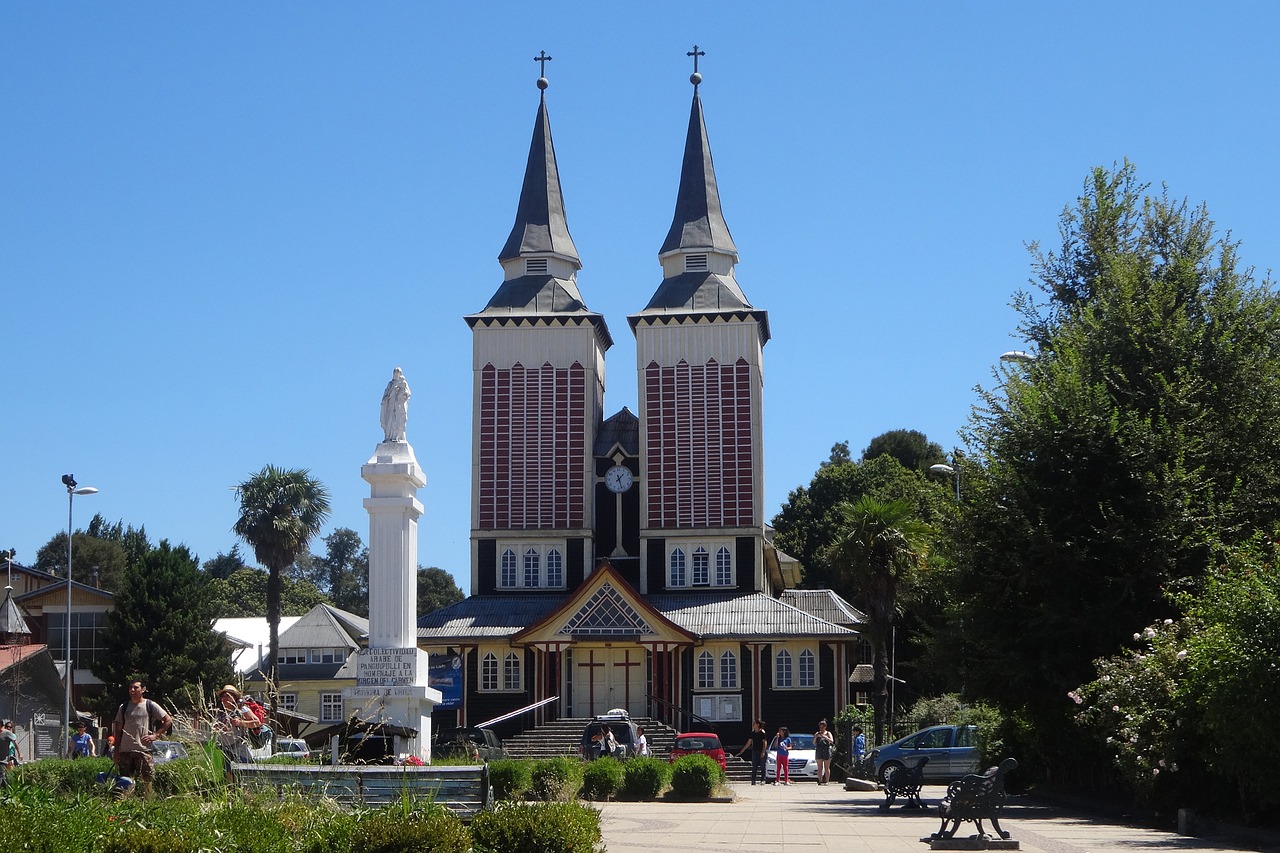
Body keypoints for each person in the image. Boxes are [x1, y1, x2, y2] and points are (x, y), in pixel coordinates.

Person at [111, 679, 172, 798]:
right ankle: (124, 805)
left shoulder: (150, 705)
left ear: (143, 689)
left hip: (143, 751)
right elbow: (117, 731)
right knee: (125, 782)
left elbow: (168, 720)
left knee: (147, 781)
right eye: (130, 688)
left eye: (135, 687)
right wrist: (116, 751)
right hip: (125, 751)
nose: (132, 690)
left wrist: (155, 735)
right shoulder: (123, 707)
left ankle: (147, 805)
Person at [213, 684, 259, 781]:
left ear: (234, 697)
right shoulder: (220, 712)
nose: (224, 698)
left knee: (244, 777)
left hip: (240, 750)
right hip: (226, 751)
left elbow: (257, 722)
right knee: (229, 778)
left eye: (228, 696)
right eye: (223, 696)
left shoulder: (242, 709)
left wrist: (241, 722)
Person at [380, 367, 411, 442]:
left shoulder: (403, 383)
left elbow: (408, 393)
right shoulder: (391, 384)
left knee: (399, 420)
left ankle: (399, 436)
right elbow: (386, 393)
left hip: (399, 405)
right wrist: (386, 397)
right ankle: (389, 436)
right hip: (391, 404)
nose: (396, 374)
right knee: (390, 419)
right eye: (395, 373)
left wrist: (403, 392)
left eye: (398, 373)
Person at [737, 719, 769, 785]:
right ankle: (753, 780)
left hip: (761, 751)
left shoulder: (762, 733)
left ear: (757, 724)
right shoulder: (753, 733)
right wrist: (743, 749)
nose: (753, 725)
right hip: (755, 751)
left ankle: (763, 780)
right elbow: (749, 742)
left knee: (763, 766)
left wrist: (763, 751)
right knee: (754, 766)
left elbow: (765, 742)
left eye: (754, 723)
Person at [814, 719, 835, 784]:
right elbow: (814, 743)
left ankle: (827, 781)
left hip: (826, 750)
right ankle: (820, 780)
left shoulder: (828, 733)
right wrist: (816, 737)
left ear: (825, 727)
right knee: (820, 767)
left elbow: (832, 741)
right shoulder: (817, 733)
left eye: (823, 727)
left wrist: (825, 737)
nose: (821, 728)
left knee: (827, 767)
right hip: (819, 750)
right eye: (820, 727)